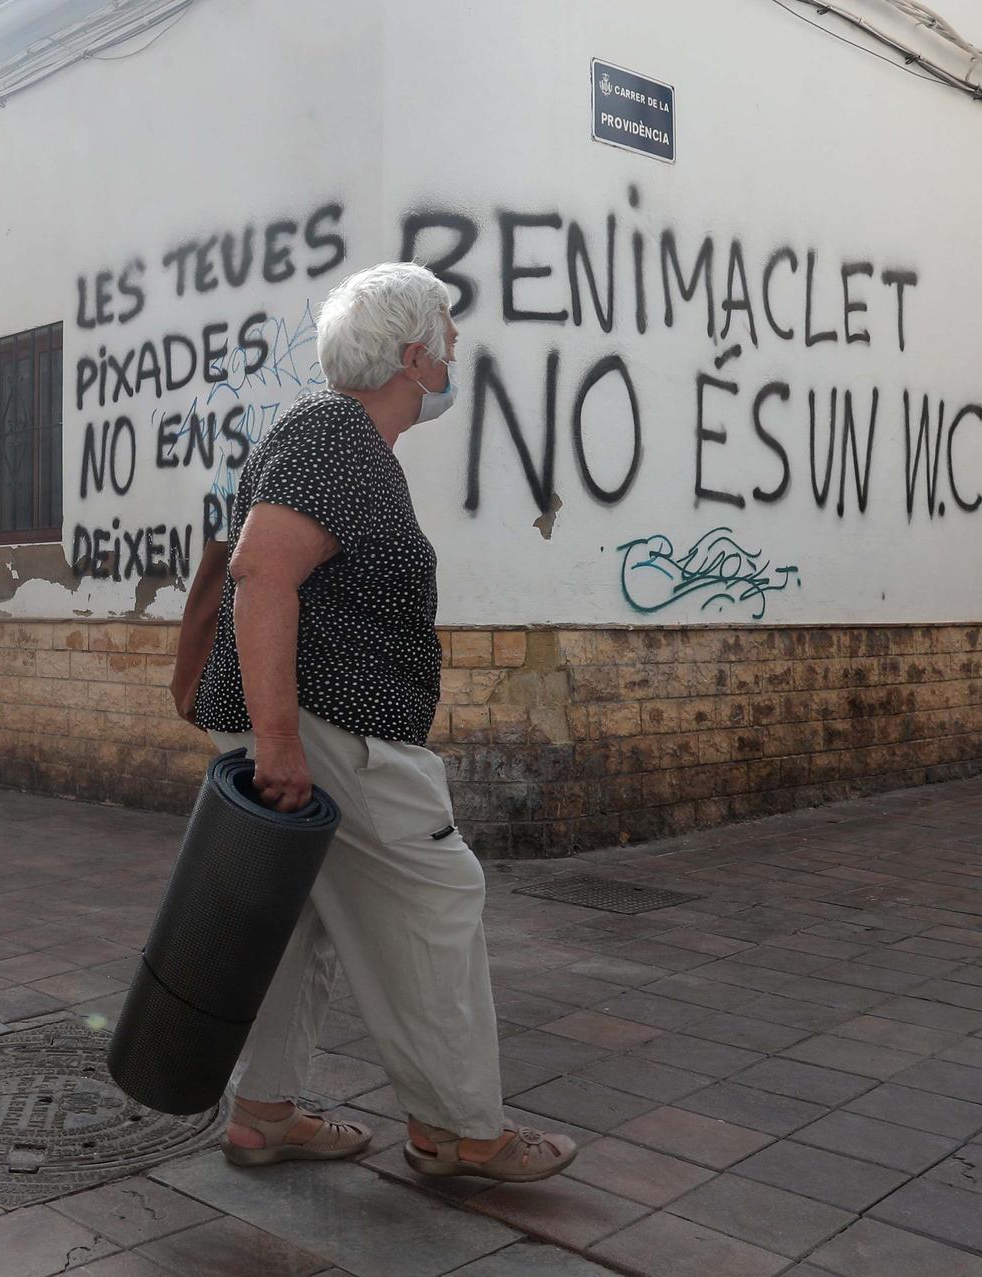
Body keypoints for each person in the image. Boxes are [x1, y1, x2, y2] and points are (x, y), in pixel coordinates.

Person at [171, 262, 578, 1183]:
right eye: (449, 339)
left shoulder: (333, 437)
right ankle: (458, 1129)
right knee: (440, 897)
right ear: (411, 357)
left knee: (304, 917)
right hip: (335, 732)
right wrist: (281, 742)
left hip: (314, 725)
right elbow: (263, 575)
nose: (457, 354)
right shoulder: (338, 439)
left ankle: (263, 1115)